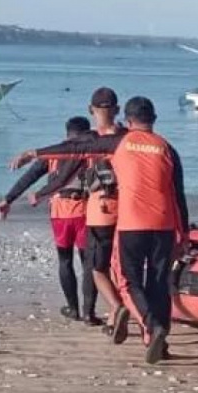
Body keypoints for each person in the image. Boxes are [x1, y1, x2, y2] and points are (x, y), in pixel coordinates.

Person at [10, 97, 189, 365]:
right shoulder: (167, 148)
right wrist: (183, 234)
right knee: (158, 283)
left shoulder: (120, 142)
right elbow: (179, 195)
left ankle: (152, 329)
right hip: (164, 225)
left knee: (130, 282)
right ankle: (159, 342)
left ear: (128, 121)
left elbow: (76, 148)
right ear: (154, 119)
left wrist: (35, 153)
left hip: (132, 224)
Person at [0, 117, 99, 324]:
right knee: (88, 262)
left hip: (60, 213)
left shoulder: (55, 152)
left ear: (66, 134)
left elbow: (29, 177)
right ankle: (89, 313)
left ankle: (72, 308)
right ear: (87, 133)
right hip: (84, 211)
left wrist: (7, 200)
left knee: (65, 260)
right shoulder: (91, 152)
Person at [83, 88, 126, 337]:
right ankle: (113, 315)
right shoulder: (128, 139)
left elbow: (63, 168)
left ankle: (115, 309)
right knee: (120, 265)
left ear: (91, 110)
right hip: (129, 212)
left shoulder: (89, 140)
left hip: (99, 212)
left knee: (98, 267)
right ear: (118, 110)